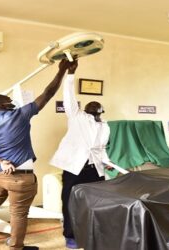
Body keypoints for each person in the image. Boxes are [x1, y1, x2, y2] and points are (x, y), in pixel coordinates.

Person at [0, 59, 73, 250]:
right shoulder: (19, 115)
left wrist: (0, 161)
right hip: (19, 178)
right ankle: (16, 247)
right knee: (19, 213)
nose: (12, 102)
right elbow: (47, 94)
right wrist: (62, 71)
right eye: (9, 101)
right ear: (3, 105)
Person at [50, 59, 112, 249]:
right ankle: (71, 236)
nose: (94, 105)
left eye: (97, 105)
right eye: (90, 105)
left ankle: (95, 233)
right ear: (84, 109)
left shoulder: (105, 125)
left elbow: (101, 148)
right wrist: (70, 74)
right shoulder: (77, 117)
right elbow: (69, 95)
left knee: (97, 203)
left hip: (96, 170)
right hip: (75, 169)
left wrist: (107, 162)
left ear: (102, 110)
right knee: (70, 203)